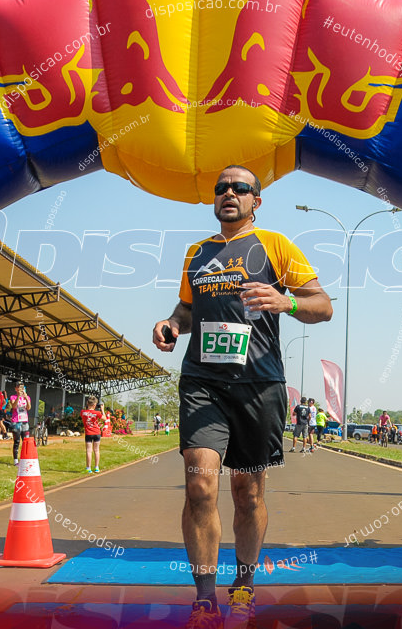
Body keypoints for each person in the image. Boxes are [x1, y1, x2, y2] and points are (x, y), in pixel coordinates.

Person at [152, 165, 333, 626]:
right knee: (200, 485)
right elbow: (187, 308)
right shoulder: (198, 253)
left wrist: (286, 301)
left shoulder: (276, 246)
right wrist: (173, 324)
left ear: (256, 201)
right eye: (222, 188)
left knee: (247, 492)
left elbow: (322, 305)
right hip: (203, 382)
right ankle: (205, 597)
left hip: (259, 385)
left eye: (241, 188)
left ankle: (244, 587)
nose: (229, 193)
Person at [7, 382, 32, 466]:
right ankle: (15, 461)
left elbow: (28, 407)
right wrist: (18, 396)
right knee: (17, 441)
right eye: (18, 387)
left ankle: (25, 460)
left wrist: (26, 398)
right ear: (15, 389)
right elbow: (14, 406)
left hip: (25, 421)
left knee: (26, 442)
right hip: (16, 421)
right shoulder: (12, 397)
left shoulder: (27, 397)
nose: (20, 389)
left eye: (21, 387)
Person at [80, 395, 104, 473]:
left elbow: (84, 415)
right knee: (96, 450)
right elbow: (104, 418)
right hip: (97, 432)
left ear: (87, 403)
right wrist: (102, 410)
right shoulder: (97, 413)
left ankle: (88, 468)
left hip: (88, 433)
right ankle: (96, 467)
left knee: (88, 450)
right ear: (94, 405)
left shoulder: (83, 412)